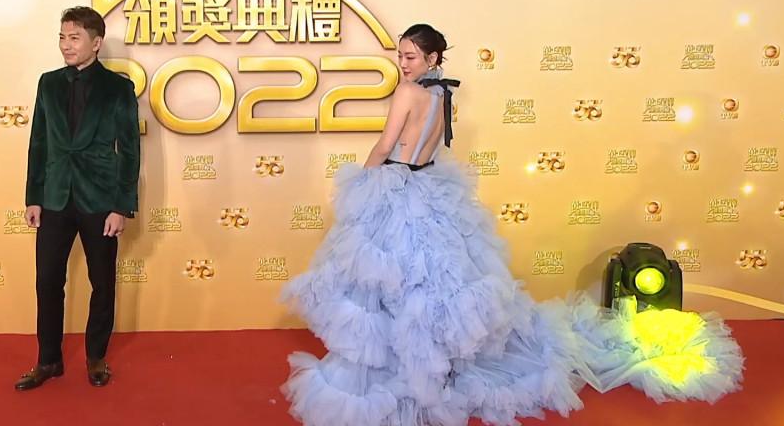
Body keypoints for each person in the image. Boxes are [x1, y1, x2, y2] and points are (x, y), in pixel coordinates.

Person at [280, 24, 743, 425]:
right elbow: (433, 146)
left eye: (410, 57)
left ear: (432, 59)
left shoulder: (408, 93)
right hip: (430, 186)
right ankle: (435, 366)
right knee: (433, 285)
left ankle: (401, 372)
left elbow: (386, 145)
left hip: (399, 186)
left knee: (393, 281)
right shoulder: (442, 95)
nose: (402, 64)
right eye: (400, 55)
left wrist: (365, 182)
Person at [15, 6, 140, 391]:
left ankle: (96, 357)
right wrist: (34, 196)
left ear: (96, 43)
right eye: (62, 37)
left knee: (102, 282)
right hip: (54, 197)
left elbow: (130, 150)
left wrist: (121, 206)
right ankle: (48, 360)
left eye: (74, 38)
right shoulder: (48, 83)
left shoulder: (118, 88)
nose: (66, 45)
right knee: (47, 281)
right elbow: (38, 141)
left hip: (100, 198)